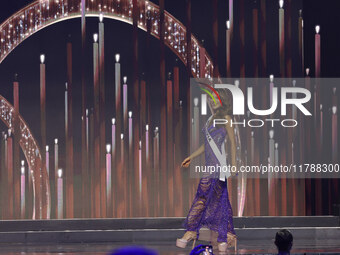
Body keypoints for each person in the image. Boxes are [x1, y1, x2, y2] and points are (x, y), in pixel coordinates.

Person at [176, 88, 237, 253]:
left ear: (223, 101)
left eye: (216, 98)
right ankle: (224, 237)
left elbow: (232, 142)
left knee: (202, 197)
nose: (212, 101)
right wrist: (192, 156)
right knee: (221, 200)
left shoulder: (226, 118)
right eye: (211, 99)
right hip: (209, 165)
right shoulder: (210, 120)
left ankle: (190, 232)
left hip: (219, 165)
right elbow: (206, 145)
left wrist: (233, 164)